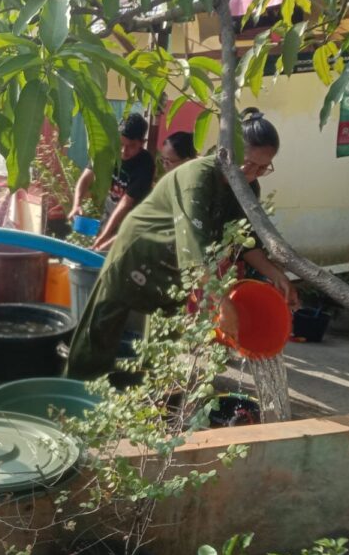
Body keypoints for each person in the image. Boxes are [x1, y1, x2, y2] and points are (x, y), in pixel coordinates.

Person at [66, 108, 297, 380]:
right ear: (228, 151)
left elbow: (246, 245)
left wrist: (276, 275)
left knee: (164, 335)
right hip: (142, 249)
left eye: (263, 168)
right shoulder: (197, 178)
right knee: (103, 323)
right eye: (249, 164)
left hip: (177, 261)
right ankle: (77, 386)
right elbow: (195, 248)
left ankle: (146, 397)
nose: (253, 174)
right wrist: (222, 302)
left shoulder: (247, 188)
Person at [69, 113, 156, 251]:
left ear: (142, 143)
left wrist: (104, 236)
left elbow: (126, 203)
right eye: (120, 144)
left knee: (113, 258)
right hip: (110, 215)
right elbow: (86, 177)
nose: (123, 151)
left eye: (131, 146)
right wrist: (76, 204)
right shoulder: (107, 151)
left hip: (134, 224)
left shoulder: (145, 164)